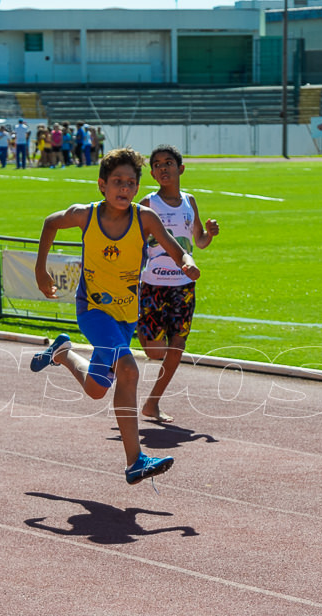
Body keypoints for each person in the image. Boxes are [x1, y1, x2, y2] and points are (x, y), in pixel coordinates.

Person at [29, 147, 200, 485]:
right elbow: (51, 222)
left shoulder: (144, 218)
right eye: (117, 182)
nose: (124, 188)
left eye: (130, 183)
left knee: (96, 389)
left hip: (126, 316)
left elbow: (173, 247)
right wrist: (40, 270)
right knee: (129, 369)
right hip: (92, 309)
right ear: (101, 185)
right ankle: (135, 461)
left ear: (137, 188)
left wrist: (187, 262)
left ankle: (62, 353)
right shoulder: (86, 215)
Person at [137, 145, 219, 422]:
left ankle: (153, 402)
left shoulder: (189, 201)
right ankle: (136, 333)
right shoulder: (147, 204)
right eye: (157, 164)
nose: (163, 168)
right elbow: (137, 244)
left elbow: (199, 242)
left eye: (168, 163)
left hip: (183, 285)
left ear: (180, 168)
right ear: (152, 173)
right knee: (154, 352)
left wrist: (209, 234)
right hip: (153, 284)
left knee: (177, 346)